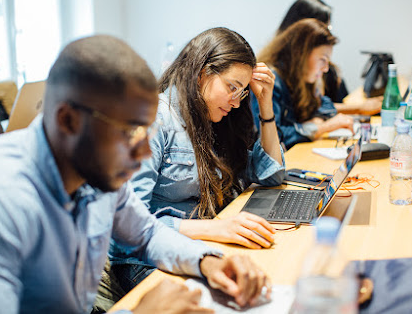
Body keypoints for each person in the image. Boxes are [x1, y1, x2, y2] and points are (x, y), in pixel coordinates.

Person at [0, 35, 270, 314]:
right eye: (129, 132)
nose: (144, 153)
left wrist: (209, 261)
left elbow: (146, 234)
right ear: (69, 121)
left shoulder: (96, 167)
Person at [99, 27, 286, 308]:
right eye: (232, 87)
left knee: (264, 283)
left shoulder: (218, 120)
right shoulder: (155, 120)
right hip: (143, 259)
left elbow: (273, 174)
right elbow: (133, 229)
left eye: (242, 92)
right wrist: (215, 229)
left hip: (197, 247)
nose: (236, 102)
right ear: (202, 72)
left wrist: (265, 105)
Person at [251, 18, 355, 150]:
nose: (326, 68)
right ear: (301, 54)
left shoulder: (302, 78)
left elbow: (326, 107)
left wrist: (314, 122)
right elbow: (274, 137)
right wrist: (320, 128)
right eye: (323, 59)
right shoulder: (270, 82)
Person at [277, 0, 383, 115]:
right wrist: (358, 108)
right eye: (325, 27)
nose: (327, 33)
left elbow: (318, 104)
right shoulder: (278, 75)